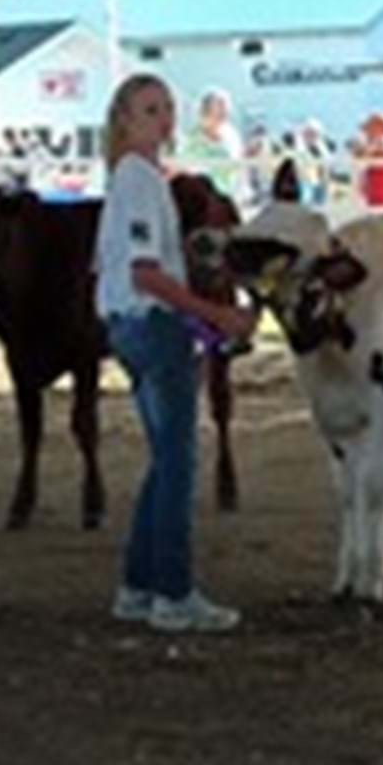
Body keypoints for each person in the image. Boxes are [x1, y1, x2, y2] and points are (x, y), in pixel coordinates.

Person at [97, 74, 257, 634]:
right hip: (152, 326)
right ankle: (172, 591)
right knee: (177, 462)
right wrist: (215, 316)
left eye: (166, 108)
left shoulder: (132, 178)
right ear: (125, 120)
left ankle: (140, 586)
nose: (163, 119)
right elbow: (147, 274)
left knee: (165, 460)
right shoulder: (141, 181)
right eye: (149, 110)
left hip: (133, 324)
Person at [179, 88, 244, 203]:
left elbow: (238, 166)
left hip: (230, 199)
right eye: (219, 110)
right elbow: (187, 171)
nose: (224, 114)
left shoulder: (231, 135)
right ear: (205, 112)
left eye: (225, 110)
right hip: (203, 202)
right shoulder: (192, 141)